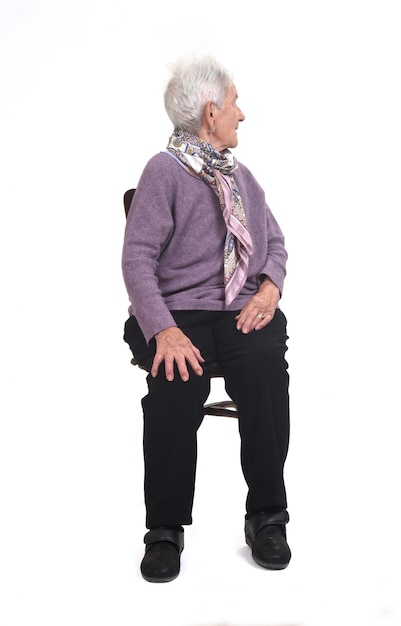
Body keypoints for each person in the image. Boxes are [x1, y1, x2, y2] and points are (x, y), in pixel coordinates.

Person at [122, 55, 291, 583]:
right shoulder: (163, 171)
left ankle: (267, 517)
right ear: (211, 111)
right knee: (175, 383)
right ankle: (164, 530)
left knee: (264, 371)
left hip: (239, 309)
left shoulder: (241, 178)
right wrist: (163, 329)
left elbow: (277, 244)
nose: (242, 114)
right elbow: (136, 260)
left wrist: (269, 288)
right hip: (175, 313)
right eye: (235, 103)